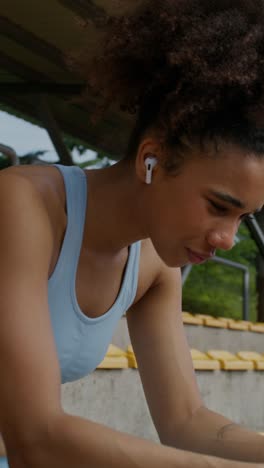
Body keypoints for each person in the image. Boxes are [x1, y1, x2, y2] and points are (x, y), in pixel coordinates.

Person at [1, 0, 264, 467]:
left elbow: (186, 421)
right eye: (218, 206)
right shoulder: (22, 206)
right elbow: (35, 436)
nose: (227, 239)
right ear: (151, 159)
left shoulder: (155, 267)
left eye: (242, 218)